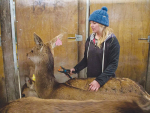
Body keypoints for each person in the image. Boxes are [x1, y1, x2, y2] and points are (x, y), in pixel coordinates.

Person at [69, 6, 120, 92]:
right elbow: (86, 59)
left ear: (102, 24)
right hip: (91, 80)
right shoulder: (90, 39)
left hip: (106, 81)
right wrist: (76, 69)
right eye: (90, 23)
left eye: (94, 23)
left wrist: (99, 81)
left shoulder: (112, 41)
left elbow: (113, 65)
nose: (91, 25)